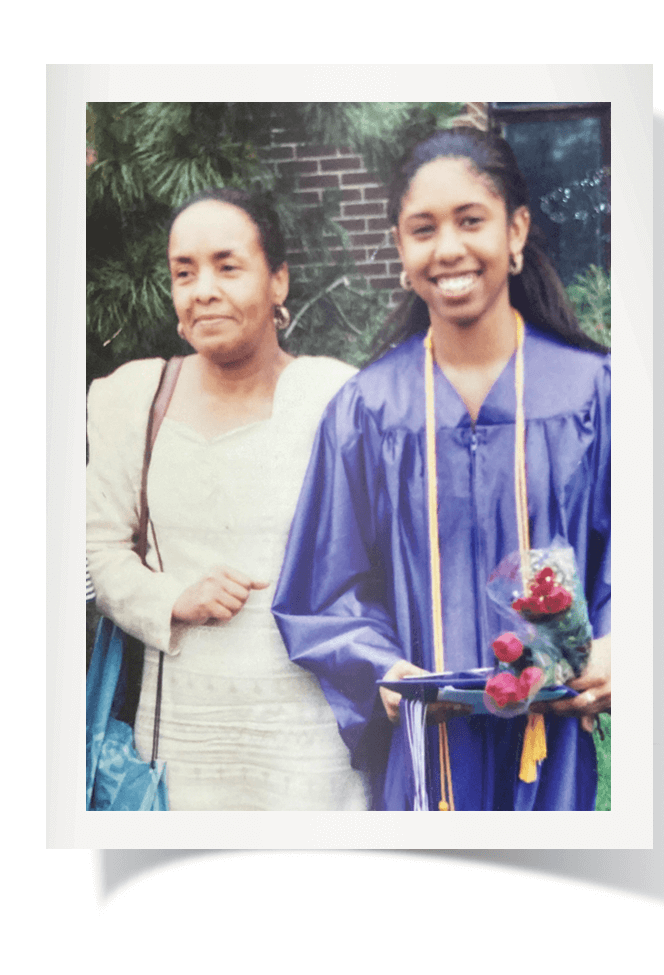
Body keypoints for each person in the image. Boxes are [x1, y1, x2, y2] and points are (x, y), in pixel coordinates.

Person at [273, 129, 611, 811]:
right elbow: (322, 588)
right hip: (428, 756)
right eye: (423, 228)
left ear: (516, 231)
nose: (449, 248)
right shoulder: (367, 412)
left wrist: (618, 643)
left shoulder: (593, 393)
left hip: (551, 746)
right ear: (400, 250)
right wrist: (381, 669)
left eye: (471, 220)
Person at [86, 187, 367, 810]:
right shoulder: (133, 398)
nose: (202, 289)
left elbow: (377, 558)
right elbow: (100, 548)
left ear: (278, 282)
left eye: (227, 266)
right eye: (183, 273)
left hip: (312, 740)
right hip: (179, 742)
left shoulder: (334, 396)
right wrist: (172, 597)